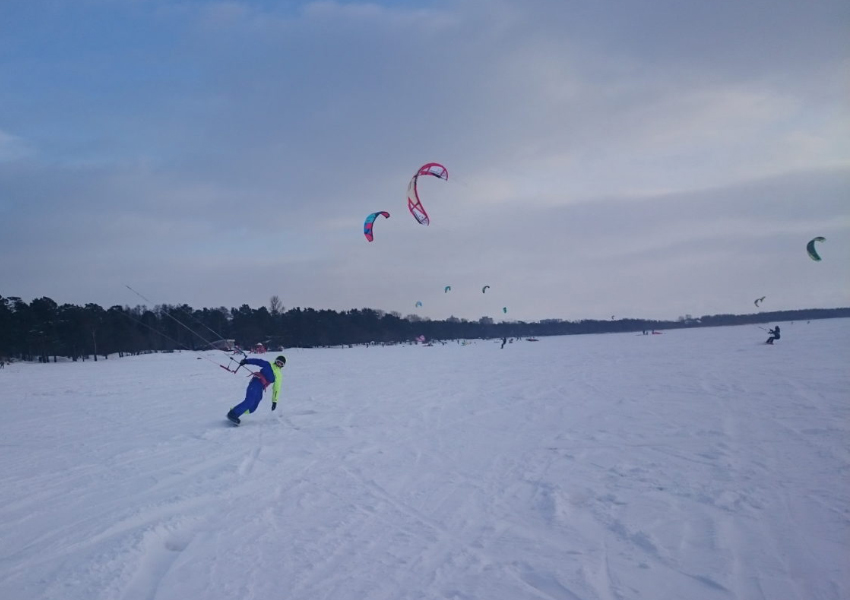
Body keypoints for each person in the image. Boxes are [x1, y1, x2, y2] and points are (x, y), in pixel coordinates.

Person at [227, 355, 285, 424]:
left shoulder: (279, 375)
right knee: (250, 400)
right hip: (256, 382)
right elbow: (257, 361)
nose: (279, 364)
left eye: (281, 363)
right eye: (278, 362)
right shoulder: (268, 364)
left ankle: (236, 409)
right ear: (276, 361)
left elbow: (276, 389)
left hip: (261, 387)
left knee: (253, 407)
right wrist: (246, 361)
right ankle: (233, 414)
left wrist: (274, 401)